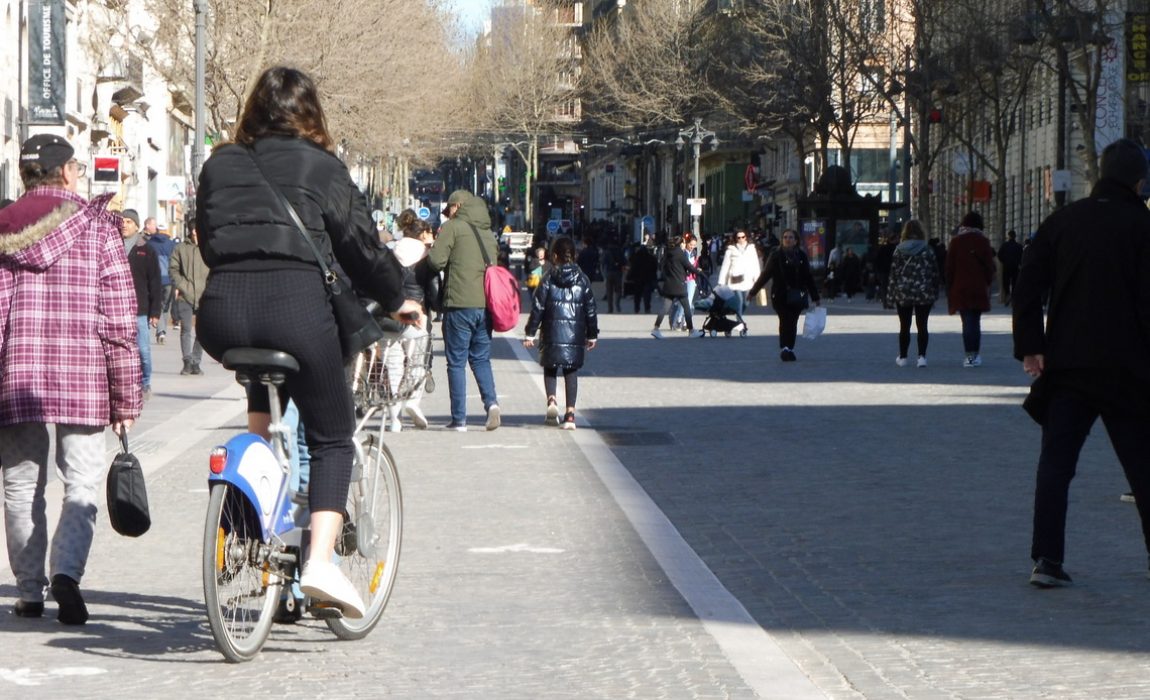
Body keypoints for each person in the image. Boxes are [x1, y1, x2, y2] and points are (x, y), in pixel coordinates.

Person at [195, 66, 422, 619]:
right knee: (332, 437)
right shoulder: (323, 167)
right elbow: (362, 250)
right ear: (310, 113)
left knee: (263, 408)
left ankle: (247, 525)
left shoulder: (219, 163)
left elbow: (209, 238)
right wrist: (400, 296)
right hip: (295, 311)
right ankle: (318, 562)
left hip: (222, 315)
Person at [0, 134, 142, 623]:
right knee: (81, 481)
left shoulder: (3, 232)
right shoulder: (98, 229)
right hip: (83, 379)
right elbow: (120, 323)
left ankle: (29, 590)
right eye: (78, 168)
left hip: (17, 378)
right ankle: (66, 573)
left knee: (21, 488)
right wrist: (125, 398)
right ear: (65, 173)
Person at [1013, 138, 1150, 588]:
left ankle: (1046, 560)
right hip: (1128, 367)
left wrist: (1031, 345)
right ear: (1138, 180)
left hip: (1068, 364)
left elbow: (1027, 284)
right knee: (1142, 466)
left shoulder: (1063, 221)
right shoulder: (1142, 226)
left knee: (1056, 464)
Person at [427, 189, 502, 432]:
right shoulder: (487, 232)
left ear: (457, 206)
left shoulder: (452, 228)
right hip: (484, 306)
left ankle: (459, 419)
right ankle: (491, 404)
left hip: (458, 304)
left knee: (456, 362)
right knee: (481, 359)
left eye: (449, 209)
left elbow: (435, 262)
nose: (447, 214)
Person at [524, 236, 599, 430]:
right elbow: (591, 308)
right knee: (571, 370)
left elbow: (538, 307)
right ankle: (571, 415)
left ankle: (551, 401)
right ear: (573, 255)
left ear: (554, 256)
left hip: (551, 332)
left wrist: (530, 333)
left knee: (550, 367)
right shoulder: (583, 279)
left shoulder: (548, 278)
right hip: (574, 335)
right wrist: (592, 334)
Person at [748, 228, 821, 361]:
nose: (788, 239)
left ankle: (789, 348)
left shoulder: (801, 256)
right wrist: (753, 291)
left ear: (796, 240)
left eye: (791, 237)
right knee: (784, 320)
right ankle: (785, 348)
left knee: (793, 322)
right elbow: (766, 275)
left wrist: (815, 296)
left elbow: (808, 277)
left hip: (797, 294)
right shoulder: (776, 255)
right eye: (785, 237)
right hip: (780, 295)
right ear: (782, 240)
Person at [120, 208, 161, 399]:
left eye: (129, 222)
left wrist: (155, 312)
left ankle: (145, 383)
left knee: (143, 349)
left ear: (137, 226)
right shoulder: (112, 245)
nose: (124, 224)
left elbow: (155, 281)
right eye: (123, 221)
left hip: (140, 309)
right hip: (117, 309)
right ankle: (124, 383)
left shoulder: (146, 249)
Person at [887, 220, 940, 368]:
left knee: (904, 325)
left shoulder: (898, 250)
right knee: (922, 325)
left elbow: (893, 274)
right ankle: (922, 357)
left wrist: (891, 295)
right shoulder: (927, 249)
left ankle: (903, 357)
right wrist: (935, 292)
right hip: (923, 292)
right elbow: (934, 272)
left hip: (903, 292)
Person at [946, 211, 995, 367]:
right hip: (978, 287)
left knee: (966, 322)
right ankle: (976, 354)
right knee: (976, 321)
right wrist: (987, 283)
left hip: (960, 287)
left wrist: (949, 287)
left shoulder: (956, 242)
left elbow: (949, 268)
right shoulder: (984, 241)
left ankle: (969, 355)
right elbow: (989, 267)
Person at [170, 225, 208, 375]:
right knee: (185, 329)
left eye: (196, 229)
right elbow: (173, 268)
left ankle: (196, 362)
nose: (194, 232)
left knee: (202, 332)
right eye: (192, 229)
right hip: (185, 295)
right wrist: (181, 285)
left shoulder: (208, 248)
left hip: (204, 295)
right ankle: (186, 361)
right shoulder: (181, 248)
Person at [650, 234, 705, 339]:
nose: (685, 245)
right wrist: (698, 271)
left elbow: (662, 266)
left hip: (669, 284)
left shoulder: (668, 253)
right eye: (684, 243)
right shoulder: (680, 254)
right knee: (687, 307)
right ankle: (691, 330)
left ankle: (656, 329)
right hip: (679, 285)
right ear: (681, 244)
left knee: (665, 307)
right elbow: (690, 266)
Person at [147, 222, 178, 343]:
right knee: (165, 307)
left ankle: (160, 330)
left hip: (154, 279)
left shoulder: (150, 244)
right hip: (169, 280)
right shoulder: (171, 245)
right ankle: (162, 331)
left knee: (156, 304)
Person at [717, 227, 760, 311]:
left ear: (746, 237)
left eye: (743, 237)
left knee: (746, 302)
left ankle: (739, 315)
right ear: (735, 238)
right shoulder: (730, 250)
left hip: (748, 279)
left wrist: (757, 279)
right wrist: (721, 282)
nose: (741, 239)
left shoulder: (751, 249)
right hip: (735, 279)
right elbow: (725, 266)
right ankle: (739, 320)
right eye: (738, 237)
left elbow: (755, 264)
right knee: (739, 301)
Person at [671, 233, 700, 331]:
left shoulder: (694, 253)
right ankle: (678, 320)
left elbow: (694, 265)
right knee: (683, 302)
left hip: (691, 279)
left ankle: (684, 322)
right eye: (690, 244)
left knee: (689, 302)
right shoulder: (682, 253)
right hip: (683, 280)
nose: (692, 247)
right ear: (686, 243)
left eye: (694, 245)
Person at [626, 243, 658, 313]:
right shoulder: (651, 258)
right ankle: (647, 308)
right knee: (647, 295)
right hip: (647, 278)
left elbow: (632, 267)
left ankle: (636, 308)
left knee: (637, 295)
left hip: (637, 279)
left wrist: (630, 276)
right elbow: (654, 267)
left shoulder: (635, 257)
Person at [997, 229, 1024, 305]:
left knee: (1006, 282)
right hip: (1015, 267)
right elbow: (1022, 256)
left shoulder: (1004, 245)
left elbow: (999, 255)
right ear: (1015, 236)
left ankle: (1008, 296)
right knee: (1015, 283)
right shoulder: (1019, 246)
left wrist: (1004, 261)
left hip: (1007, 266)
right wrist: (1019, 263)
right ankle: (1013, 298)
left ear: (1008, 236)